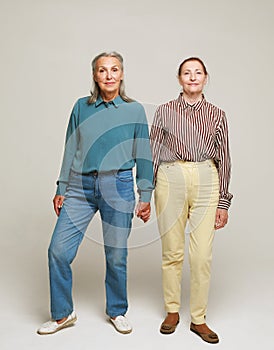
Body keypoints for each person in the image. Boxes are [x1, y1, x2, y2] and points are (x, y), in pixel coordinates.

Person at [37, 52, 154, 335]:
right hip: (80, 187)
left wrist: (146, 194)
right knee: (58, 250)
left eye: (114, 69)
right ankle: (63, 314)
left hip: (119, 187)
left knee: (116, 254)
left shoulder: (134, 109)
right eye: (103, 70)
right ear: (95, 76)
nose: (109, 75)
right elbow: (70, 148)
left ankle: (117, 310)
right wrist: (61, 186)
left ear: (122, 74)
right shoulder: (81, 107)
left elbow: (144, 153)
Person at [150, 57, 233, 343]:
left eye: (198, 73)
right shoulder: (164, 111)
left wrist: (223, 202)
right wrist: (145, 195)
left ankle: (198, 319)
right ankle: (172, 310)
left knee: (201, 257)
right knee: (172, 251)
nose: (193, 77)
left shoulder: (218, 114)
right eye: (187, 73)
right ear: (179, 78)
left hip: (206, 177)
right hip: (170, 176)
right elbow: (152, 151)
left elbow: (225, 158)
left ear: (206, 78)